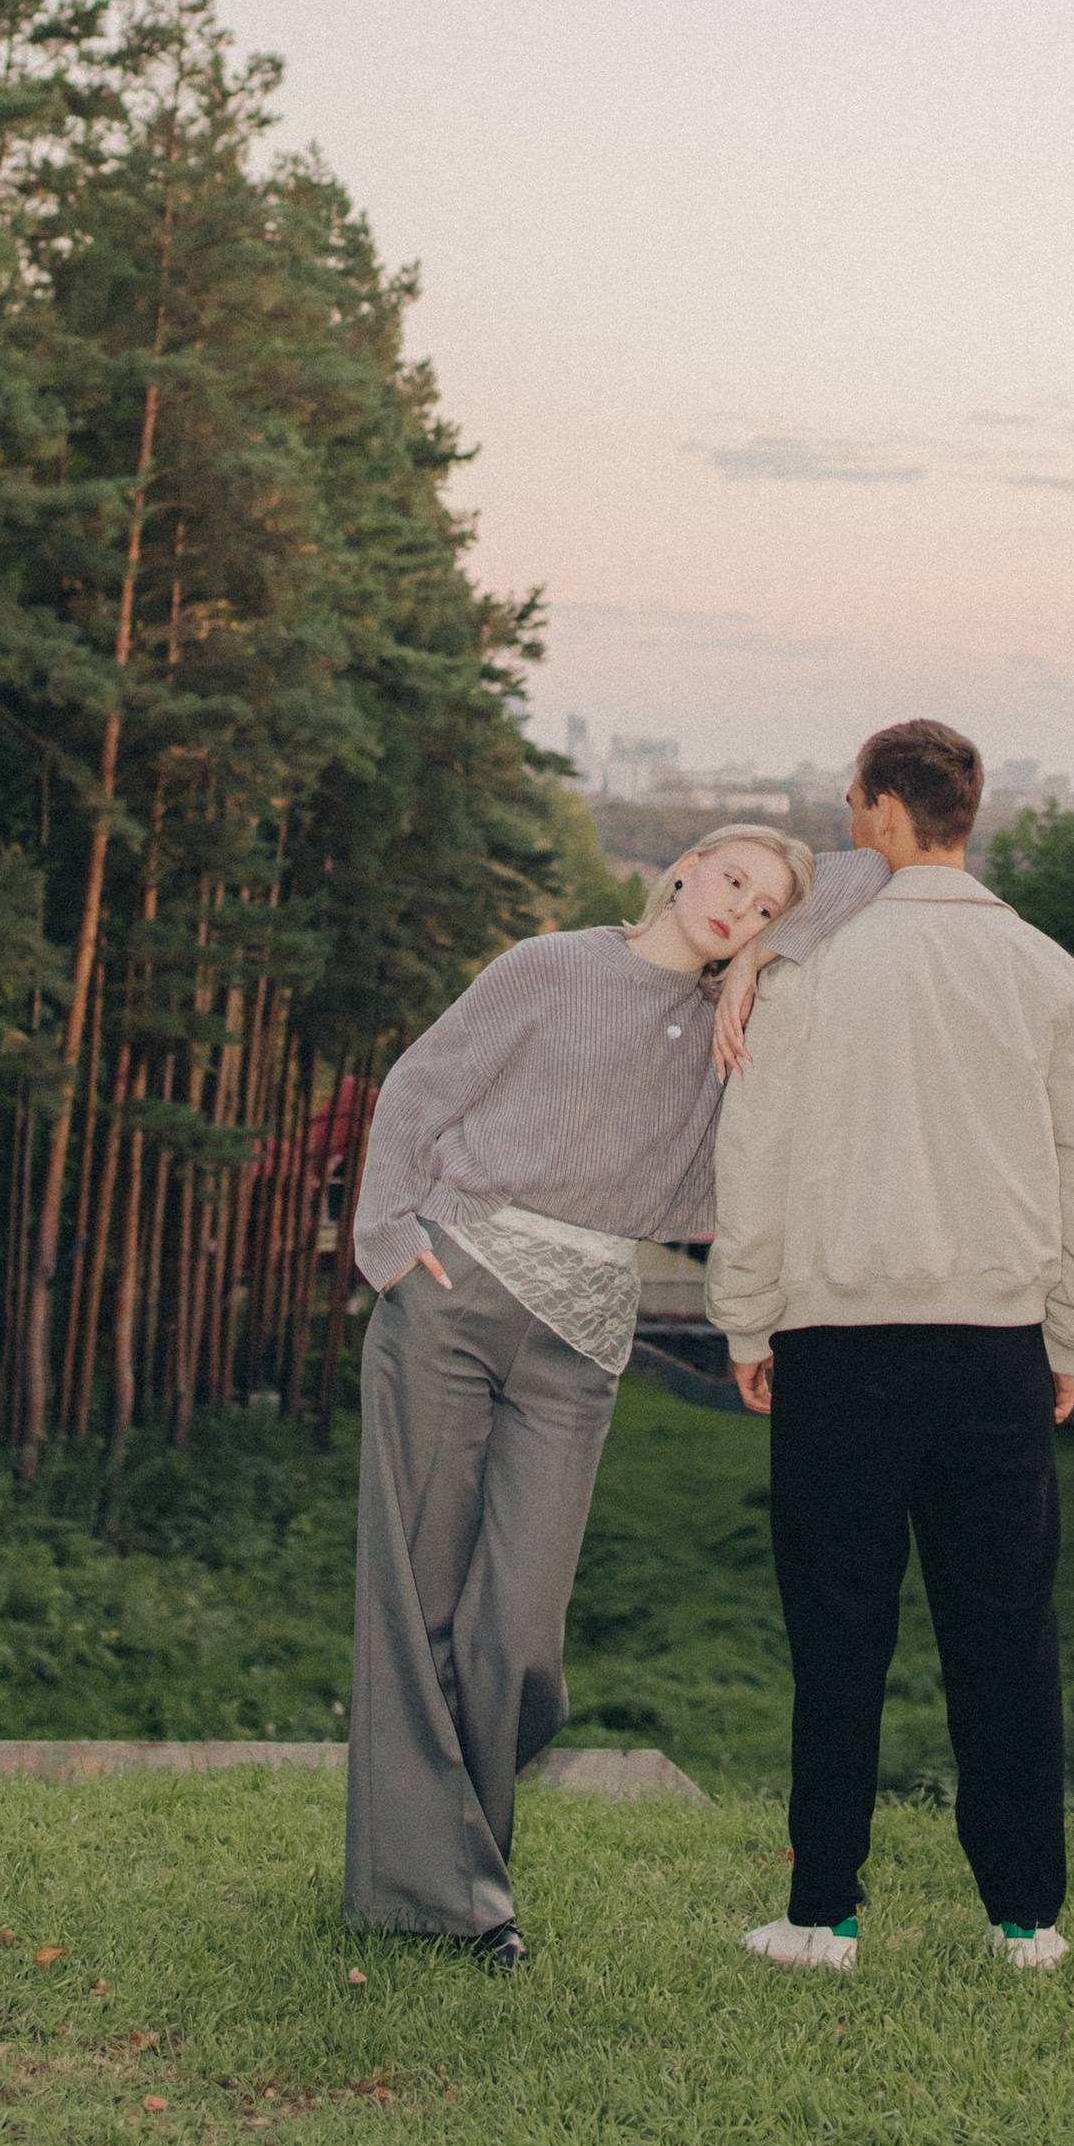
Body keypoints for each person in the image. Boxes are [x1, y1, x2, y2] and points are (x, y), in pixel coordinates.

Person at [343, 820, 878, 1968]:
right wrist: (386, 1238)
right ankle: (461, 1899)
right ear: (682, 865)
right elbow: (420, 1086)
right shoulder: (548, 965)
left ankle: (450, 1869)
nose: (741, 903)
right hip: (455, 1287)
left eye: (767, 903)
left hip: (582, 1333)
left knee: (520, 1632)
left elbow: (871, 872)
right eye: (731, 876)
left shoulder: (731, 1032)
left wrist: (759, 965)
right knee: (416, 1601)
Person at [705, 718, 1074, 1976]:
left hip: (839, 1338)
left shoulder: (809, 973)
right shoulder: (1048, 970)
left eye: (853, 800)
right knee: (1005, 1630)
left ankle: (823, 1915)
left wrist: (745, 1313)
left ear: (886, 810)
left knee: (838, 1630)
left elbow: (755, 1156)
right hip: (996, 1341)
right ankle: (1025, 1920)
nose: (846, 818)